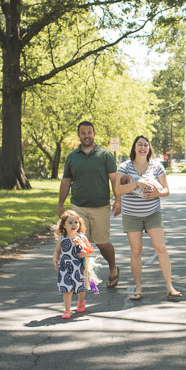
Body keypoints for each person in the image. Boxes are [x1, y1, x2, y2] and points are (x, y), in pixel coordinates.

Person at [114, 135, 180, 300]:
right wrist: (137, 183)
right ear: (134, 148)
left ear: (149, 148)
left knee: (161, 249)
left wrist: (157, 193)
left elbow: (166, 190)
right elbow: (118, 190)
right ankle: (137, 289)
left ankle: (170, 287)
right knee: (136, 252)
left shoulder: (157, 167)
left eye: (146, 145)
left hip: (153, 213)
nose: (143, 148)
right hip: (131, 215)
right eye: (140, 145)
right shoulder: (124, 167)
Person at [58, 121, 120, 288]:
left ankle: (113, 267)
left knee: (102, 243)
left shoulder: (105, 155)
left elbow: (114, 180)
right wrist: (60, 204)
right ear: (79, 135)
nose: (87, 135)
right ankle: (83, 276)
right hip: (78, 206)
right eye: (83, 133)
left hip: (100, 206)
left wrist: (118, 200)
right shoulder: (72, 157)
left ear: (94, 134)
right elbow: (65, 182)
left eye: (89, 132)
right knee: (79, 242)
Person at [53, 211, 91, 319]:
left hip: (79, 267)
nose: (74, 225)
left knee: (81, 288)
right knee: (67, 288)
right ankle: (67, 310)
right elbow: (57, 251)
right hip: (65, 268)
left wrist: (84, 253)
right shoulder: (62, 239)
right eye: (70, 222)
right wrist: (55, 260)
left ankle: (81, 301)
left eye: (76, 222)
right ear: (64, 225)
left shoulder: (82, 237)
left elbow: (88, 250)